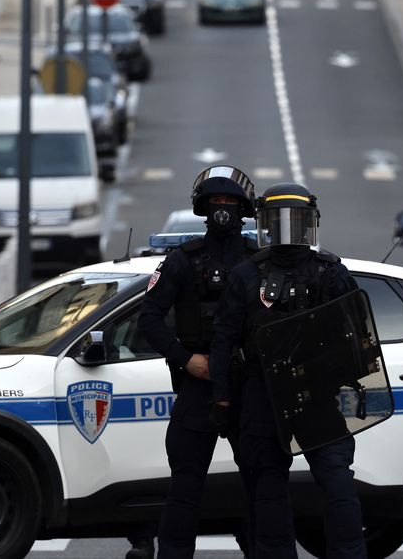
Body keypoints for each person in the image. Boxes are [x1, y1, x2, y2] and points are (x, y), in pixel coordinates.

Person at [210, 183, 366, 558]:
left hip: (310, 392)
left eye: (293, 221)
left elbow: (356, 336)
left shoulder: (328, 272)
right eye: (277, 222)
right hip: (268, 394)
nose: (285, 230)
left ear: (308, 224)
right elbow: (225, 341)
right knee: (274, 490)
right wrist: (223, 398)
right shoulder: (250, 274)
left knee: (333, 483)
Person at [136, 166, 258, 559]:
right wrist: (186, 360)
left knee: (262, 486)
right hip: (199, 387)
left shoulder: (261, 261)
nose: (223, 209)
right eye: (216, 202)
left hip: (247, 387)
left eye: (230, 202)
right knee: (185, 487)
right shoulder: (181, 261)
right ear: (203, 208)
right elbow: (149, 319)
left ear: (244, 210)